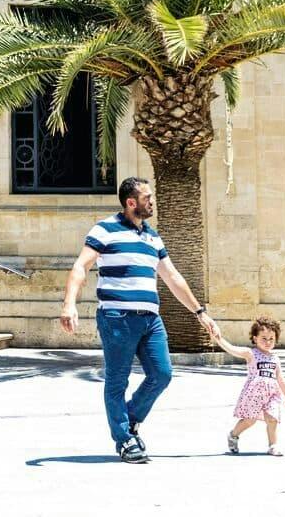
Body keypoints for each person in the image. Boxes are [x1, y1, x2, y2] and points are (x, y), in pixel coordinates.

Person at [60, 176, 216, 464]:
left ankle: (128, 421)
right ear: (131, 202)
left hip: (150, 320)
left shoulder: (152, 237)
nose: (152, 201)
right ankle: (124, 440)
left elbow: (172, 277)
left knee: (162, 374)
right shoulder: (104, 230)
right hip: (116, 318)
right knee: (117, 381)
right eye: (147, 198)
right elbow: (81, 266)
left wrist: (200, 312)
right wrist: (69, 304)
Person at [212, 316, 285, 455]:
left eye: (271, 339)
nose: (268, 342)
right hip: (254, 394)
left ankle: (273, 445)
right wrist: (218, 339)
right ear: (255, 338)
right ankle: (233, 435)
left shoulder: (274, 358)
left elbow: (279, 377)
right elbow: (232, 349)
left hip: (272, 394)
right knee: (250, 420)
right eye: (264, 338)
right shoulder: (251, 353)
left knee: (272, 419)